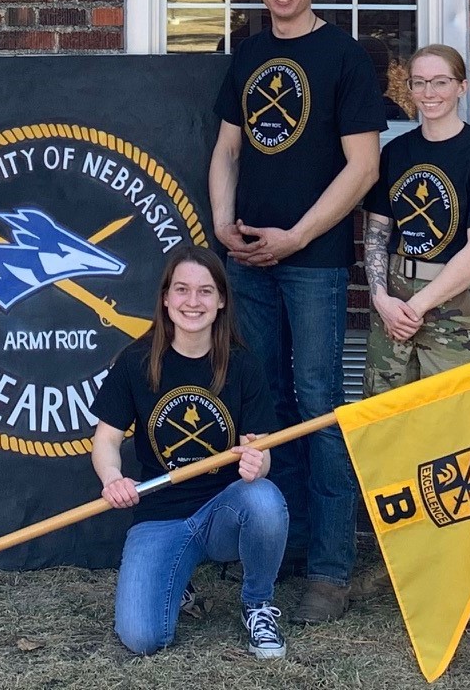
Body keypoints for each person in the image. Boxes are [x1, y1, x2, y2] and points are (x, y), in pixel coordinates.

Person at [208, 0, 383, 623]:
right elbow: (226, 148)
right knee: (262, 405)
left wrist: (297, 237)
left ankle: (329, 569)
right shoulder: (248, 53)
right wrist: (224, 223)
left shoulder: (344, 56)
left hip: (310, 263)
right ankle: (271, 550)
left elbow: (362, 165)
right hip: (246, 260)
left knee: (317, 407)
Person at [362, 43, 470, 621]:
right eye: (419, 83)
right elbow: (377, 230)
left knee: (457, 440)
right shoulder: (395, 155)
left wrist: (416, 304)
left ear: (461, 86)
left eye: (440, 82)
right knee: (394, 434)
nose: (429, 93)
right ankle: (404, 565)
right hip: (393, 301)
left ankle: (469, 576)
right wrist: (379, 296)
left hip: (453, 307)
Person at [93, 246, 287, 660]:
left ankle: (257, 604)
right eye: (181, 290)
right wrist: (113, 478)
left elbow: (261, 451)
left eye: (204, 291)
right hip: (161, 514)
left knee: (266, 499)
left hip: (223, 511)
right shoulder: (135, 361)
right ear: (165, 298)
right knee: (142, 638)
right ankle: (176, 578)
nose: (192, 302)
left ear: (221, 301)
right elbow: (106, 440)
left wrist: (257, 461)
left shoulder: (243, 366)